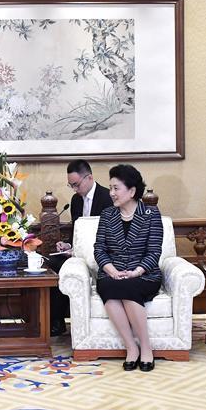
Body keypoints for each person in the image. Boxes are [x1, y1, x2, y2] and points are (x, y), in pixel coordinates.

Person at [94, 164, 164, 372]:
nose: (111, 193)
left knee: (129, 287)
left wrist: (137, 271)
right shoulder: (107, 215)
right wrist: (111, 271)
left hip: (144, 274)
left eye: (116, 188)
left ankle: (146, 348)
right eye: (110, 188)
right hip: (112, 273)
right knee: (109, 287)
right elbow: (99, 249)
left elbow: (154, 252)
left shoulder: (151, 214)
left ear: (132, 191)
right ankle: (131, 347)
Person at [49, 159, 113, 336]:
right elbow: (77, 232)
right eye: (71, 186)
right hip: (77, 254)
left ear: (89, 177)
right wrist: (68, 245)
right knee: (53, 263)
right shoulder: (76, 201)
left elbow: (109, 235)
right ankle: (57, 321)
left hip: (101, 253)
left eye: (76, 185)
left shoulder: (107, 198)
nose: (75, 190)